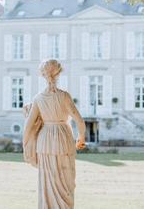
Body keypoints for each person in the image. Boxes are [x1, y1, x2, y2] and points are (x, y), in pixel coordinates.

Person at [22, 58, 86, 209]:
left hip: (45, 142)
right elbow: (79, 121)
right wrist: (81, 139)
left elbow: (28, 127)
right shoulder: (64, 96)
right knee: (66, 181)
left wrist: (27, 145)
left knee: (47, 181)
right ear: (58, 74)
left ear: (43, 75)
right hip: (64, 138)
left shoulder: (38, 98)